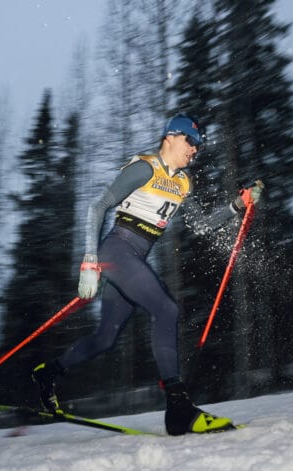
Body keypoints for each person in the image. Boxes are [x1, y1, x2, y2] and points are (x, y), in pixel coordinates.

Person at [32, 114, 264, 435]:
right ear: (170, 137)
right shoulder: (145, 167)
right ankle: (178, 408)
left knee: (106, 338)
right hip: (116, 251)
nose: (195, 149)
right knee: (166, 309)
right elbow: (97, 207)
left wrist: (238, 204)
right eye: (190, 141)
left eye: (198, 145)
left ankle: (48, 374)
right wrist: (89, 261)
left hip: (135, 257)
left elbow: (201, 225)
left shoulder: (183, 182)